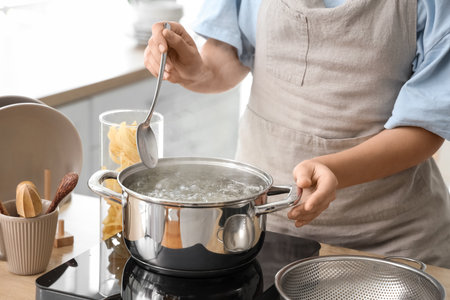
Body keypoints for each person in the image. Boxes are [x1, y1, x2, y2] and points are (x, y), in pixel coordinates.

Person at [144, 0, 450, 267]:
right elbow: (230, 54)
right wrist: (197, 71)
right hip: (259, 232)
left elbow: (425, 125)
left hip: (392, 245)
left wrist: (335, 169)